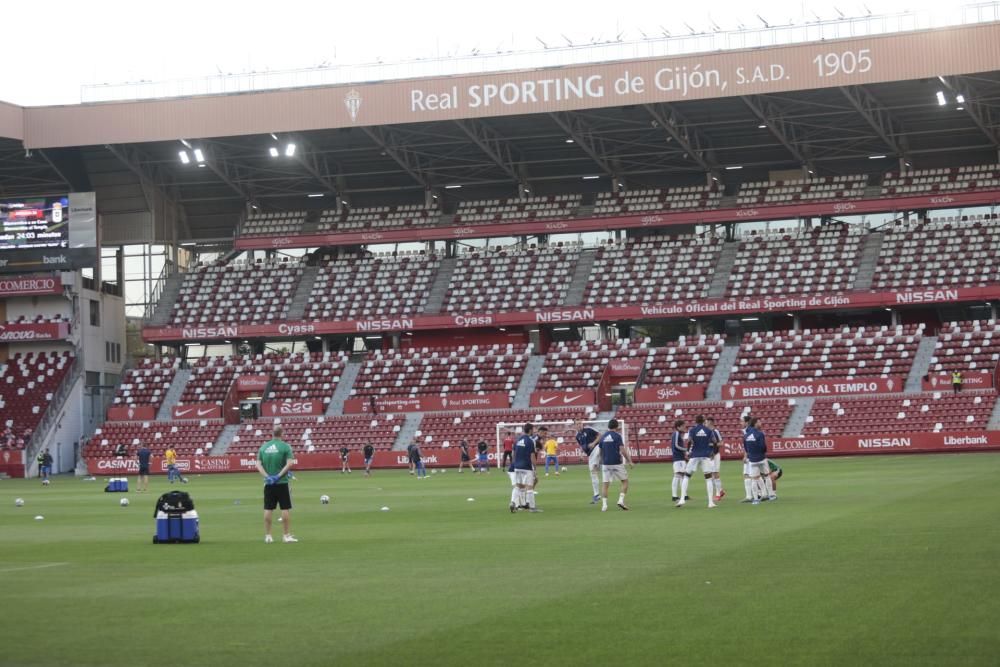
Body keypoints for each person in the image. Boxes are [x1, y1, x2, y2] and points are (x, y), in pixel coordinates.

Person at [256, 425, 297, 543]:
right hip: (282, 482)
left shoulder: (263, 447)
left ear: (272, 434)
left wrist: (268, 477)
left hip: (268, 484)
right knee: (285, 508)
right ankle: (286, 535)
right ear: (282, 434)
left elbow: (258, 465)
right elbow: (289, 464)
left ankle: (268, 536)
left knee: (268, 509)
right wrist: (278, 476)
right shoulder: (285, 447)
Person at [677, 415, 716, 509]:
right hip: (705, 456)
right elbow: (714, 441)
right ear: (703, 421)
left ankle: (682, 498)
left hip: (694, 455)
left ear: (696, 421)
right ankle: (710, 502)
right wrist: (712, 452)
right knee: (708, 478)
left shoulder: (692, 430)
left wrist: (688, 451)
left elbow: (689, 441)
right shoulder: (709, 431)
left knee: (687, 476)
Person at [598, 419, 632, 512]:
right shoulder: (617, 436)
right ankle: (620, 500)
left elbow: (600, 451)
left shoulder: (603, 436)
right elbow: (622, 450)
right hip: (616, 462)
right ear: (616, 427)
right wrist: (629, 461)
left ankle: (604, 506)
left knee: (605, 485)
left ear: (608, 426)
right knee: (625, 482)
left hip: (605, 463)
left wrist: (600, 462)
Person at [742, 417, 774, 505]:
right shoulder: (760, 434)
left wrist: (750, 455)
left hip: (752, 460)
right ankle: (771, 495)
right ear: (755, 423)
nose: (761, 423)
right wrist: (762, 453)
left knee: (754, 479)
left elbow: (746, 448)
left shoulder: (745, 436)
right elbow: (763, 446)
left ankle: (755, 499)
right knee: (767, 476)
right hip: (761, 458)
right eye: (759, 422)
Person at [509, 423, 540, 513]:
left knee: (518, 486)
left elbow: (513, 454)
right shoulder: (531, 441)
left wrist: (514, 465)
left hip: (517, 467)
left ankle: (512, 502)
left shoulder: (517, 440)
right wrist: (535, 468)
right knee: (530, 487)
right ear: (530, 430)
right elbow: (532, 456)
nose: (533, 431)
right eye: (533, 429)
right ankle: (532, 507)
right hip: (526, 467)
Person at [575, 420, 601, 504]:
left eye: (580, 423)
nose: (579, 425)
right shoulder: (577, 436)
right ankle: (596, 495)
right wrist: (581, 455)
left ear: (582, 424)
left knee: (594, 471)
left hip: (597, 449)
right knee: (593, 473)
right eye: (577, 424)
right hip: (590, 455)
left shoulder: (589, 429)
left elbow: (600, 435)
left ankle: (597, 495)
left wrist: (593, 443)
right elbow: (582, 446)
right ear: (575, 426)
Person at [706, 417, 726, 503]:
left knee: (715, 473)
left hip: (715, 455)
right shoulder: (706, 432)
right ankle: (720, 490)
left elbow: (721, 443)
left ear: (710, 422)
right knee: (711, 474)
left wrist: (713, 446)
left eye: (706, 422)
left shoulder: (715, 431)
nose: (705, 424)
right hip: (709, 456)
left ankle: (718, 493)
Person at [670, 419, 688, 502]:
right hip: (678, 458)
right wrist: (685, 450)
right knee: (678, 475)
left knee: (681, 476)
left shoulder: (678, 434)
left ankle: (683, 495)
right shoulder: (676, 433)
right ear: (678, 427)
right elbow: (676, 445)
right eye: (683, 425)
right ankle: (675, 496)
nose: (685, 427)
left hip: (680, 457)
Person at [740, 414, 755, 503]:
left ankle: (749, 496)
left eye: (742, 421)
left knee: (748, 475)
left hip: (750, 456)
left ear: (747, 422)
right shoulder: (748, 431)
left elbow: (748, 445)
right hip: (752, 455)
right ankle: (758, 494)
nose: (740, 423)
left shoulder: (748, 431)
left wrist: (746, 456)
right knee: (752, 475)